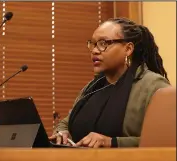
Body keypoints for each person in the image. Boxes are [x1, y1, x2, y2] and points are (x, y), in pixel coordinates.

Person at [49, 17, 170, 148]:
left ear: (128, 49)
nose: (95, 50)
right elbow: (66, 122)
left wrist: (111, 142)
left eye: (103, 43)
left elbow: (167, 140)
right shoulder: (91, 88)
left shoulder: (153, 85)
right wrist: (62, 132)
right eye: (93, 44)